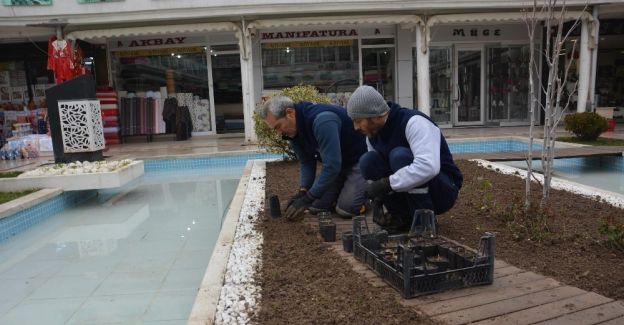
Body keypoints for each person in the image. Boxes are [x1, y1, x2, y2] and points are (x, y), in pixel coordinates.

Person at [346, 85, 463, 232]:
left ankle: (424, 221)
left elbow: (428, 167)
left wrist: (386, 184)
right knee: (368, 161)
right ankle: (401, 217)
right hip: (412, 191)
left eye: (358, 120)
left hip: (443, 190)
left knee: (399, 156)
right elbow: (378, 172)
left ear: (374, 115)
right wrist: (378, 198)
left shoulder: (414, 122)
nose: (355, 127)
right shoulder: (372, 135)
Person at [259, 96, 368, 220]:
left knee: (346, 209)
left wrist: (308, 198)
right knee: (315, 207)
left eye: (278, 126)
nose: (279, 132)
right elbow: (306, 162)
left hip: (359, 161)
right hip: (339, 165)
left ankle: (366, 196)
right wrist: (303, 192)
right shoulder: (293, 130)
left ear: (290, 113)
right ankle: (342, 190)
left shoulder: (322, 120)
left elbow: (331, 166)